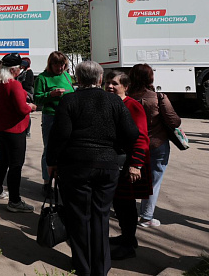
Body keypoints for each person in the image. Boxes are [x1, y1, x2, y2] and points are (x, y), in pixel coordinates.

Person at [46, 61, 138, 276]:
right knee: (101, 217)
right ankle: (101, 268)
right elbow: (132, 134)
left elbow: (59, 136)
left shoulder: (69, 100)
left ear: (77, 79)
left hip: (76, 166)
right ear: (99, 79)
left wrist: (52, 163)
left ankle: (84, 267)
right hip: (107, 166)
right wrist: (116, 148)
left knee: (79, 217)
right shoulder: (114, 101)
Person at [104, 71, 152, 260]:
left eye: (115, 83)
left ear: (126, 86)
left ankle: (128, 243)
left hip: (129, 163)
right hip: (114, 162)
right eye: (108, 82)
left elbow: (142, 137)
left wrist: (136, 165)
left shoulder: (132, 106)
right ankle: (127, 237)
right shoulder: (109, 103)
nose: (110, 86)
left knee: (126, 204)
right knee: (119, 202)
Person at [128, 63, 181, 228]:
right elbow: (174, 121)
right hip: (157, 144)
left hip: (132, 145)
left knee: (128, 179)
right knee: (154, 180)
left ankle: (126, 212)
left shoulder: (126, 98)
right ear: (151, 78)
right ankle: (146, 217)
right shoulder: (159, 97)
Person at [0, 53, 37, 213]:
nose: (20, 70)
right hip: (14, 129)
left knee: (3, 160)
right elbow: (22, 108)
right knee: (16, 165)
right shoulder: (14, 84)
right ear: (13, 69)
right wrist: (31, 107)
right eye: (19, 68)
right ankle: (14, 200)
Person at [34, 51, 74, 195]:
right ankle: (47, 182)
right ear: (50, 64)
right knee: (49, 148)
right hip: (51, 116)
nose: (60, 67)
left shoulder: (66, 76)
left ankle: (63, 179)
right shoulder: (42, 78)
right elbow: (37, 99)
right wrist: (50, 95)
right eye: (56, 64)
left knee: (66, 149)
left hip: (68, 117)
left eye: (62, 64)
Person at [17, 57, 34, 137]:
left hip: (27, 94)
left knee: (26, 113)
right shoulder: (23, 72)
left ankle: (27, 131)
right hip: (23, 93)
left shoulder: (29, 72)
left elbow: (27, 84)